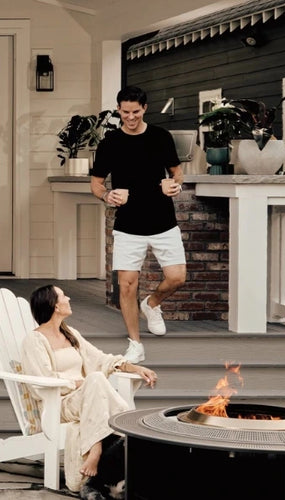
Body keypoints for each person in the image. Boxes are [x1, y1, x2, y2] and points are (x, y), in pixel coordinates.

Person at [21, 284, 158, 498]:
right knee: (94, 380)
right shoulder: (35, 340)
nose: (68, 299)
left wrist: (134, 367)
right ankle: (103, 445)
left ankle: (102, 449)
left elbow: (101, 359)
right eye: (63, 296)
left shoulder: (70, 333)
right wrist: (76, 383)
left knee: (95, 379)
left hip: (87, 400)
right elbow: (40, 381)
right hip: (58, 404)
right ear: (54, 305)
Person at [88, 85, 186, 364]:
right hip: (128, 224)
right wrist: (108, 195)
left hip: (163, 221)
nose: (130, 117)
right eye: (125, 112)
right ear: (118, 110)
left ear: (144, 109)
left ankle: (152, 304)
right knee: (127, 285)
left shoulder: (160, 137)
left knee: (177, 278)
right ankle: (135, 343)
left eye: (135, 112)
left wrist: (174, 185)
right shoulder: (110, 143)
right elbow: (95, 184)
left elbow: (177, 172)